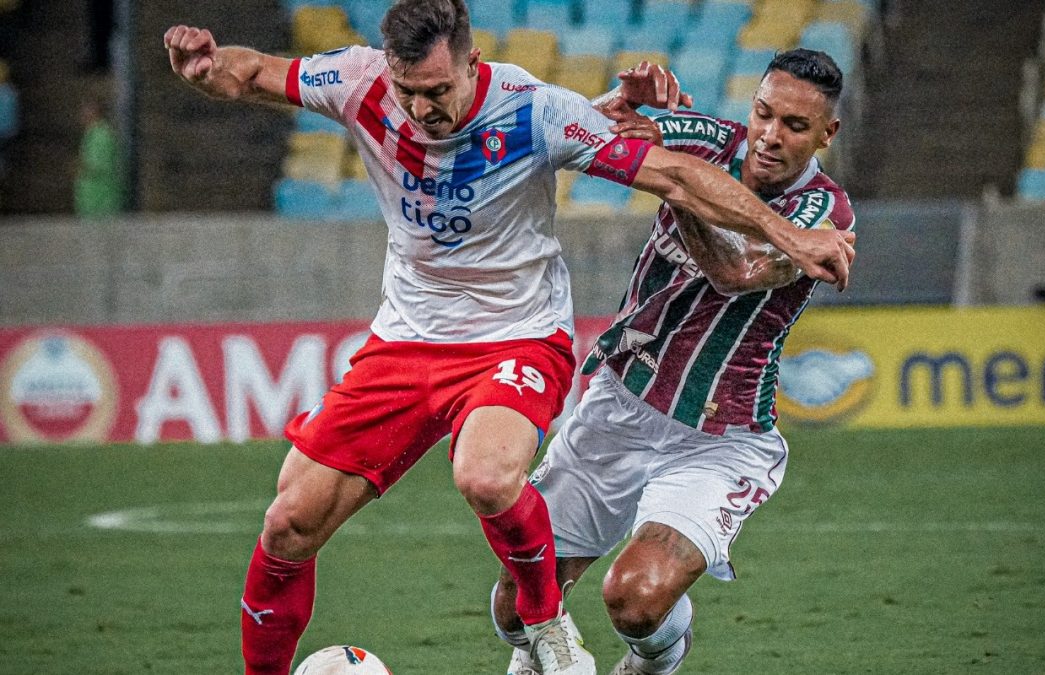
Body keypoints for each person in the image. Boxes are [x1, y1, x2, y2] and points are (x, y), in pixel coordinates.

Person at [164, 1, 854, 671]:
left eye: (439, 90)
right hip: (483, 363)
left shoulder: (823, 212)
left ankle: (599, 641)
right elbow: (253, 73)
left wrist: (787, 233)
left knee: (562, 539)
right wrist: (206, 66)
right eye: (763, 113)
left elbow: (720, 250)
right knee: (294, 522)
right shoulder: (357, 79)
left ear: (474, 63)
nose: (423, 108)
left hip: (620, 386)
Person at [493, 49, 856, 675]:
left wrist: (675, 183)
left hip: (720, 438)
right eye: (764, 114)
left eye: (795, 127)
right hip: (617, 407)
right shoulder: (709, 139)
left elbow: (734, 270)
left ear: (828, 133)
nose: (769, 137)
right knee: (514, 608)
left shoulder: (825, 216)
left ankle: (657, 657)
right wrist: (623, 100)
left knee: (633, 599)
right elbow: (589, 133)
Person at [75, 97, 124, 219]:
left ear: (94, 112)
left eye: (85, 110)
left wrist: (78, 166)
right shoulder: (90, 134)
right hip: (90, 203)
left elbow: (100, 166)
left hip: (100, 202)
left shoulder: (102, 136)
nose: (81, 115)